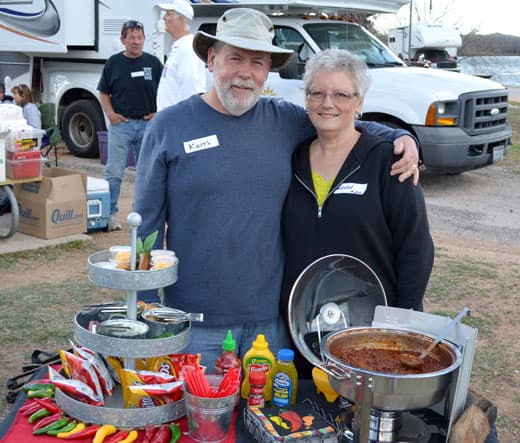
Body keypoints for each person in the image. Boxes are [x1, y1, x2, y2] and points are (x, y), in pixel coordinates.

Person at [133, 8, 420, 369]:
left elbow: (337, 119)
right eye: (234, 58)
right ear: (211, 59)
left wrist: (401, 136)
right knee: (203, 422)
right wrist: (143, 308)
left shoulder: (283, 120)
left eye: (257, 62)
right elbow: (143, 226)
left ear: (268, 70)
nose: (245, 73)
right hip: (194, 323)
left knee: (265, 422)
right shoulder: (170, 126)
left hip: (269, 326)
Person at [280, 49, 434, 377]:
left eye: (340, 94)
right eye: (317, 93)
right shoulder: (291, 160)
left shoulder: (387, 163)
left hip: (371, 329)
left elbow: (415, 247)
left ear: (359, 102)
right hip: (303, 326)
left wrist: (401, 323)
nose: (327, 103)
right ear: (306, 99)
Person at [97, 20, 163, 231]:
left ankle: (144, 215)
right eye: (132, 37)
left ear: (144, 39)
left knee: (147, 173)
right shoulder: (113, 63)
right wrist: (110, 114)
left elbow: (165, 90)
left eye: (139, 37)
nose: (136, 41)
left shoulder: (154, 63)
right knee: (114, 173)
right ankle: (109, 217)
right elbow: (104, 92)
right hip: (121, 126)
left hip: (148, 125)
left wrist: (158, 113)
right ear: (123, 40)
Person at [156, 0, 206, 111]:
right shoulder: (181, 46)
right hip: (171, 119)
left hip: (178, 122)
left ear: (181, 18)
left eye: (168, 14)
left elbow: (190, 89)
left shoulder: (187, 47)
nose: (164, 18)